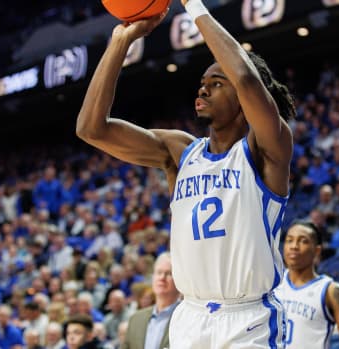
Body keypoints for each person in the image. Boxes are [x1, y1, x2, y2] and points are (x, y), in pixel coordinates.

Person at [75, 0, 295, 346]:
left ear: (242, 97)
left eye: (217, 82)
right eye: (202, 82)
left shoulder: (266, 147)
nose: (202, 88)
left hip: (248, 319)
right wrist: (121, 41)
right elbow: (91, 129)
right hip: (190, 317)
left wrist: (193, 5)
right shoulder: (179, 152)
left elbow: (248, 81)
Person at [274, 222, 339, 349]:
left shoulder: (331, 291)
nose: (294, 246)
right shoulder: (272, 284)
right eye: (289, 240)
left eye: (303, 241)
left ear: (317, 251)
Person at [122, 253, 180, 349]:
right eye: (158, 272)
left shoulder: (188, 318)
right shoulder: (135, 319)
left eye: (169, 273)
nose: (162, 278)